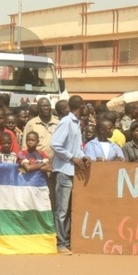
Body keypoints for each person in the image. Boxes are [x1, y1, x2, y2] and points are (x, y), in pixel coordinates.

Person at [50, 95, 90, 255]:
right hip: (64, 170)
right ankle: (61, 243)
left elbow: (76, 147)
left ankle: (67, 240)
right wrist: (72, 157)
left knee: (70, 208)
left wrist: (82, 156)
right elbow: (55, 144)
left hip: (74, 170)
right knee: (62, 209)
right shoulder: (67, 122)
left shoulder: (76, 123)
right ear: (82, 106)